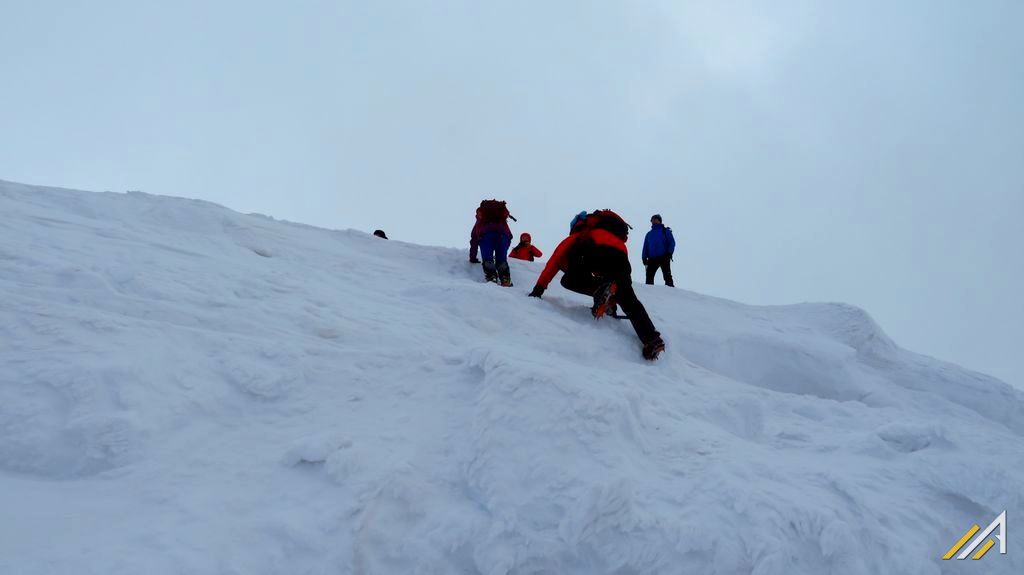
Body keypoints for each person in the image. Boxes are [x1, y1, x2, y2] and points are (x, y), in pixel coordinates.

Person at [527, 210, 666, 360]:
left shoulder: (579, 236)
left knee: (568, 280)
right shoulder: (613, 236)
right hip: (621, 255)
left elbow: (555, 260)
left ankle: (602, 292)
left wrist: (539, 288)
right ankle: (652, 339)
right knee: (628, 298)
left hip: (596, 252)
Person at [469, 199, 515, 286]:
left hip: (486, 235)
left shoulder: (481, 221)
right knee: (501, 260)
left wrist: (473, 258)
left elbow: (474, 240)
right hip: (503, 235)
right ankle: (505, 279)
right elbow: (509, 236)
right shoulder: (501, 220)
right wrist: (504, 249)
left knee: (488, 259)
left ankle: (491, 277)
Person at [642, 214, 675, 287]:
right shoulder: (649, 234)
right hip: (652, 258)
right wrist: (644, 257)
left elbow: (672, 242)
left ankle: (672, 292)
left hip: (664, 256)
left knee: (667, 275)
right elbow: (645, 246)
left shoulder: (665, 231)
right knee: (649, 277)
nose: (653, 221)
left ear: (659, 221)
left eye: (655, 219)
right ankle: (649, 292)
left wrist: (669, 253)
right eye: (652, 220)